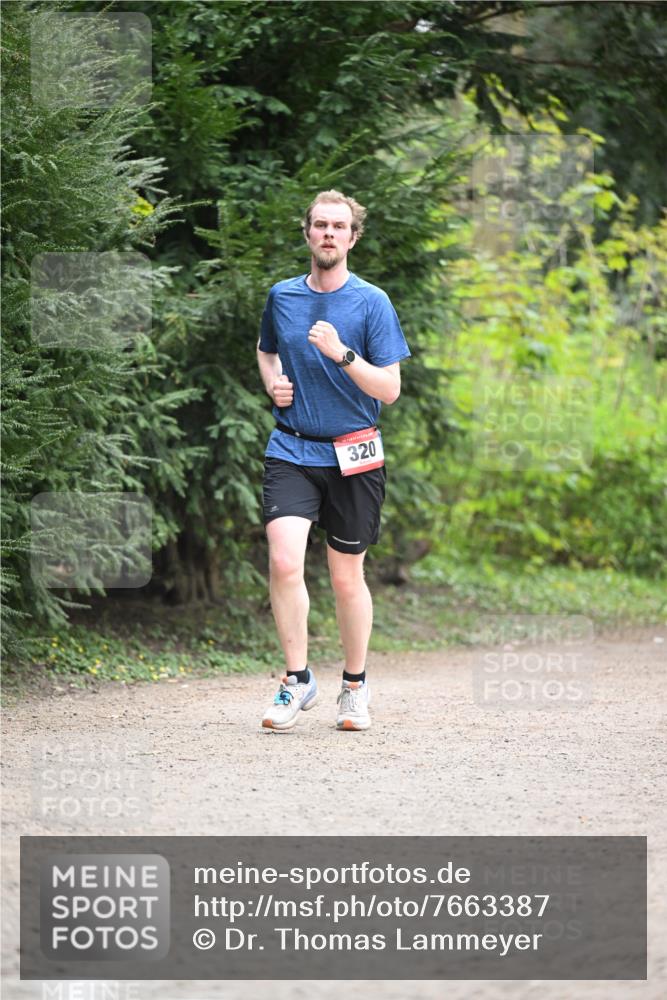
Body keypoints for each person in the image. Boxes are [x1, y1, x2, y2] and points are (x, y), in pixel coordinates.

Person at [256, 189, 411, 733]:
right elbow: (266, 347)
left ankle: (354, 687)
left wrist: (342, 353)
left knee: (347, 579)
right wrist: (272, 383)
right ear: (307, 234)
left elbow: (389, 389)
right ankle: (297, 681)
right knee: (283, 561)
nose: (328, 233)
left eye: (338, 226)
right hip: (292, 446)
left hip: (355, 449)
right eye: (319, 224)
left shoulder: (372, 302)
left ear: (352, 237)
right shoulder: (282, 296)